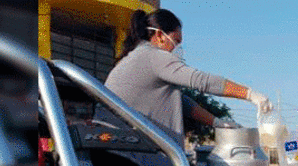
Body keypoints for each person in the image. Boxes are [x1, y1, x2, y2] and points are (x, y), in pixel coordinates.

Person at [105, 8, 273, 149]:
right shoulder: (155, 57)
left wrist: (216, 122)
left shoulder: (137, 56)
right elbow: (202, 81)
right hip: (131, 151)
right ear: (159, 35)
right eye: (176, 41)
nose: (176, 48)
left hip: (117, 145)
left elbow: (181, 102)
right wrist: (251, 94)